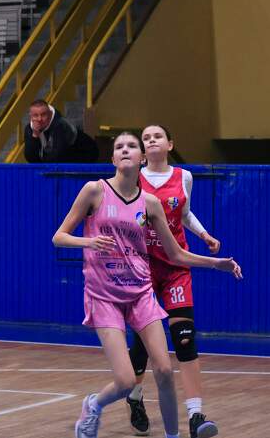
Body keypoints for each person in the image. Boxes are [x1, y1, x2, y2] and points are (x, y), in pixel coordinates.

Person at [52, 131, 242, 438]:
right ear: (113, 159)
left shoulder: (150, 203)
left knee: (165, 370)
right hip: (104, 296)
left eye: (131, 146)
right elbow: (58, 237)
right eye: (119, 147)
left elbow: (175, 253)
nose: (125, 149)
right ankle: (94, 404)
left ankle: (173, 435)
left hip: (140, 293)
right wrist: (89, 241)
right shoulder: (94, 190)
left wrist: (216, 263)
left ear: (141, 159)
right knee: (126, 381)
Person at [125, 125, 222, 438]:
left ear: (169, 144)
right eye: (146, 138)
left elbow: (185, 214)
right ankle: (134, 396)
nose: (151, 140)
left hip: (175, 265)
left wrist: (204, 235)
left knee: (184, 337)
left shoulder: (184, 177)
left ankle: (196, 415)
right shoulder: (132, 177)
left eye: (157, 136)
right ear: (143, 149)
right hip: (142, 268)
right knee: (143, 343)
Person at [23, 99, 99, 163]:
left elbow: (56, 157)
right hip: (65, 159)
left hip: (86, 154)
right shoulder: (30, 129)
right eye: (35, 115)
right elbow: (31, 159)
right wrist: (35, 136)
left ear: (50, 114)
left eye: (43, 115)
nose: (39, 119)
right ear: (31, 116)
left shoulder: (61, 126)